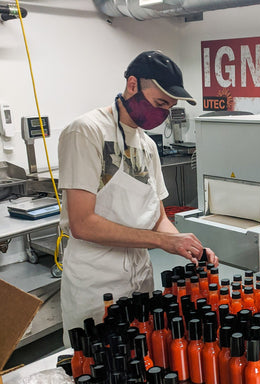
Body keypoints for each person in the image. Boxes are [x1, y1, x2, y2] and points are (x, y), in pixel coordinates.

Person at [58, 50, 218, 345]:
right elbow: (82, 223)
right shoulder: (86, 132)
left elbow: (157, 218)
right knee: (99, 361)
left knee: (140, 357)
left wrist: (186, 245)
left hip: (139, 277)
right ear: (133, 84)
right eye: (159, 103)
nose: (162, 114)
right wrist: (162, 242)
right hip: (96, 281)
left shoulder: (147, 146)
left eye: (169, 108)